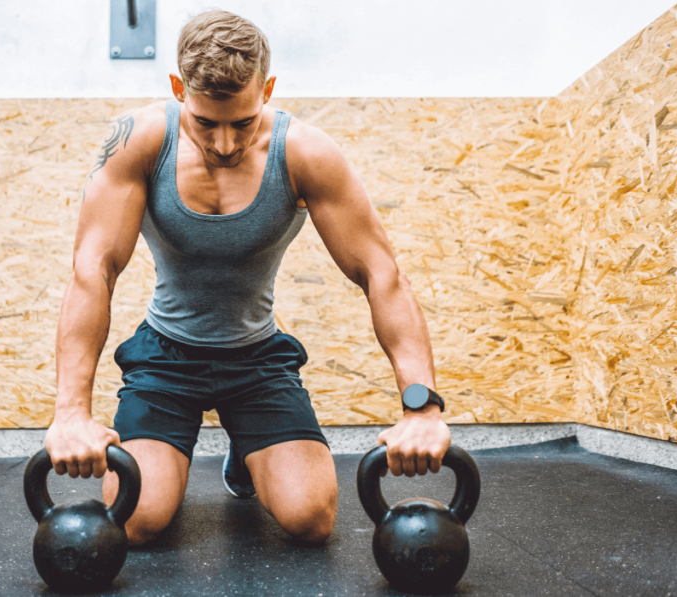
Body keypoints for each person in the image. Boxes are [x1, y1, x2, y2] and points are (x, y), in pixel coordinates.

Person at [45, 9, 450, 546]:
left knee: (311, 520)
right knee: (138, 522)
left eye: (243, 122)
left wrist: (420, 408)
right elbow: (93, 270)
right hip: (166, 356)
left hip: (256, 359)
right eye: (206, 123)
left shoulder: (303, 151)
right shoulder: (141, 141)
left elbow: (380, 274)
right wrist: (71, 413)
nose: (225, 145)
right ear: (177, 88)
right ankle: (182, 450)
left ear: (268, 89)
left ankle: (246, 451)